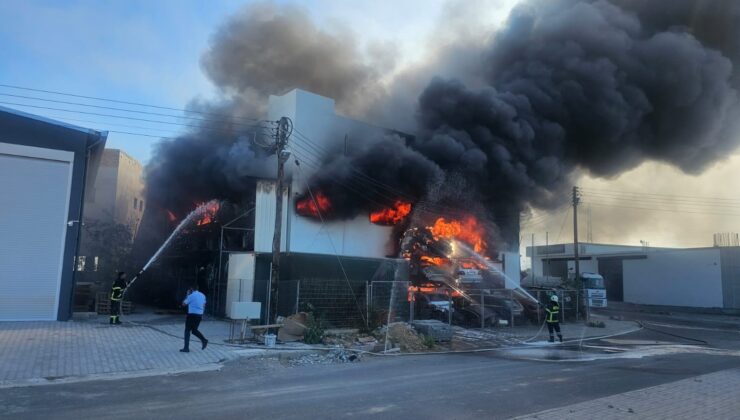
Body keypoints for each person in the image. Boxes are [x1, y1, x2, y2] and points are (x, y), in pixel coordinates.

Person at [181, 285, 208, 352]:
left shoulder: (191, 296)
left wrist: (187, 295)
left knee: (187, 331)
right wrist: (202, 314)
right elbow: (204, 305)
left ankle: (186, 348)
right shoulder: (203, 295)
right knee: (194, 330)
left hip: (192, 315)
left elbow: (183, 304)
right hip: (199, 315)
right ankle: (204, 340)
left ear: (191, 289)